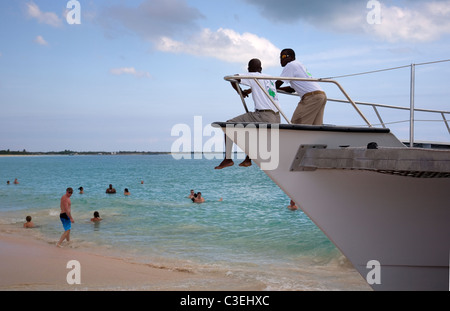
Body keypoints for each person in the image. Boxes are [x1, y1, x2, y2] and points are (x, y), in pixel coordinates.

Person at [215, 58, 281, 169]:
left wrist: (239, 91)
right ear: (261, 68)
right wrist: (249, 91)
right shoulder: (269, 78)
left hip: (263, 115)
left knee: (228, 124)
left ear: (249, 69)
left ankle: (228, 159)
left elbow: (233, 78)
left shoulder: (252, 76)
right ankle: (248, 159)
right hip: (277, 116)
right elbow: (260, 88)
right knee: (252, 130)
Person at [276, 48, 327, 125]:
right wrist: (277, 89)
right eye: (280, 57)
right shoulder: (299, 65)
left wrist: (266, 88)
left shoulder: (290, 65)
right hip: (321, 96)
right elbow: (291, 89)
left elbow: (277, 83)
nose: (281, 59)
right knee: (315, 126)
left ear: (291, 57)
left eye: (283, 56)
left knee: (296, 124)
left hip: (311, 97)